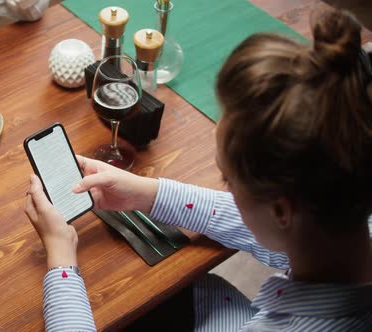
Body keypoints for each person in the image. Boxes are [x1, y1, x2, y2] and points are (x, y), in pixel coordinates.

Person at [24, 6, 372, 332]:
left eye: (229, 180)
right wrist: (146, 193)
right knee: (195, 286)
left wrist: (61, 260)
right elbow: (283, 235)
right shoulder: (343, 215)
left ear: (282, 208)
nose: (226, 189)